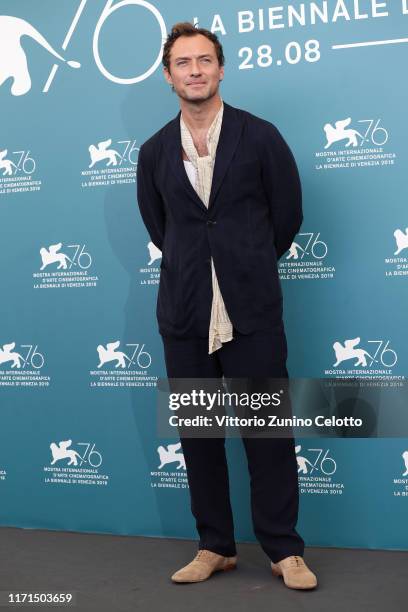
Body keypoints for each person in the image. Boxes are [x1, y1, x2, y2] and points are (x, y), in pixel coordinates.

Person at [136, 21, 317, 590]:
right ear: (169, 76)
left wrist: (245, 264)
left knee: (267, 431)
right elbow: (161, 227)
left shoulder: (260, 137)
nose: (195, 70)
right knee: (199, 435)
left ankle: (284, 550)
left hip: (252, 311)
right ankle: (214, 544)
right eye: (183, 62)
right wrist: (200, 267)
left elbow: (286, 217)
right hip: (185, 315)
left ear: (220, 69)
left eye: (204, 60)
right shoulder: (154, 151)